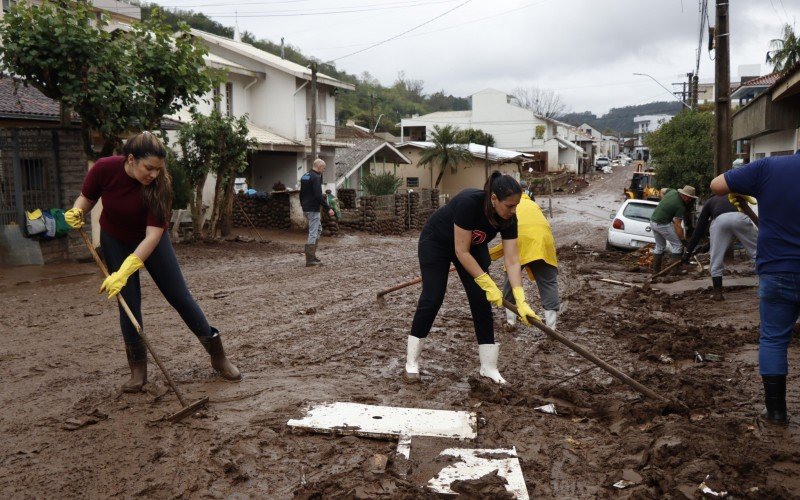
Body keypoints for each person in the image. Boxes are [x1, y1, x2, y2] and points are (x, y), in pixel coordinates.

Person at [63, 132, 241, 393]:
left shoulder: (161, 187)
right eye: (149, 168)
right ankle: (138, 371)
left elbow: (154, 235)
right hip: (115, 240)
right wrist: (77, 210)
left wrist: (127, 268)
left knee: (180, 296)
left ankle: (218, 355)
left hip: (152, 242)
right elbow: (87, 198)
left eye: (159, 169)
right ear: (131, 159)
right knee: (129, 305)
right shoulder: (104, 169)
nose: (154, 175)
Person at [404, 172, 540, 385]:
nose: (513, 211)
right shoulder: (469, 202)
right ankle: (411, 361)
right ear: (493, 199)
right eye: (509, 206)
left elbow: (513, 260)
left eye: (516, 206)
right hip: (437, 243)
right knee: (433, 296)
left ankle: (488, 367)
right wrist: (487, 282)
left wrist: (520, 298)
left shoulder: (508, 218)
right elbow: (461, 251)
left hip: (472, 247)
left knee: (481, 300)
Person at [710, 151, 800, 424]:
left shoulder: (769, 167)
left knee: (773, 339)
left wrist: (747, 187)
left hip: (777, 269)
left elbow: (717, 185)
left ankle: (776, 412)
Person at [488, 191, 560, 329]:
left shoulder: (508, 206)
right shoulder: (533, 205)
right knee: (548, 283)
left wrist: (488, 255)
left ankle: (510, 322)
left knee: (511, 279)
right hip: (544, 243)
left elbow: (509, 242)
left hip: (519, 241)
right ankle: (552, 327)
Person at [683, 194, 757, 300]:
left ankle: (718, 294)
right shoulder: (735, 196)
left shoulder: (710, 201)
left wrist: (688, 252)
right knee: (758, 252)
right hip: (739, 218)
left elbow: (699, 228)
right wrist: (708, 245)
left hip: (720, 221)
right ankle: (768, 284)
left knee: (716, 259)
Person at [649, 185, 698, 274]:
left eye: (691, 198)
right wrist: (683, 240)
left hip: (653, 221)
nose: (690, 200)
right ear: (684, 194)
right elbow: (677, 225)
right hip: (662, 224)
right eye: (689, 197)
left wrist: (663, 202)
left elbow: (662, 189)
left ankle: (656, 272)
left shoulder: (672, 191)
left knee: (660, 246)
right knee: (678, 245)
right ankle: (675, 271)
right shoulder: (681, 206)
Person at [299, 159, 334, 266]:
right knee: (313, 233)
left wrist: (303, 206)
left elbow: (301, 193)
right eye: (323, 168)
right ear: (319, 167)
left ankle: (312, 255)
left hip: (306, 207)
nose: (323, 170)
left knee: (318, 229)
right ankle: (310, 259)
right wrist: (328, 208)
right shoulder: (316, 177)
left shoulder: (305, 175)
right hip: (313, 208)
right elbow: (318, 196)